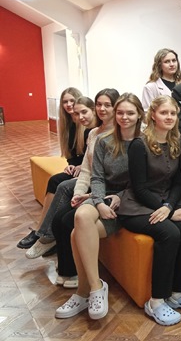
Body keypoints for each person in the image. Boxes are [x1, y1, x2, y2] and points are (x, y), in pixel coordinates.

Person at [55, 93, 143, 320]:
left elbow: (143, 183)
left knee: (75, 234)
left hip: (129, 202)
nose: (124, 117)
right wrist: (98, 201)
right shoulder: (104, 141)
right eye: (120, 112)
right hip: (103, 196)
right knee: (81, 217)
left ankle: (83, 291)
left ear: (139, 115)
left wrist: (118, 197)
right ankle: (96, 287)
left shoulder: (143, 142)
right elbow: (97, 177)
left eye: (129, 113)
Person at [118, 95, 181, 325]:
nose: (169, 117)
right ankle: (156, 301)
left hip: (166, 204)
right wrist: (168, 211)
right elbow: (139, 188)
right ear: (153, 115)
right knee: (170, 233)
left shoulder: (176, 141)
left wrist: (170, 207)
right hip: (136, 206)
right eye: (164, 113)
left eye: (173, 113)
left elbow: (178, 183)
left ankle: (178, 292)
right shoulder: (139, 144)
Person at [51, 89, 120, 289]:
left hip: (107, 193)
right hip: (93, 188)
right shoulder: (93, 133)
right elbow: (87, 171)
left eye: (107, 105)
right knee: (58, 219)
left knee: (67, 221)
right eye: (99, 104)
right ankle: (66, 270)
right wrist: (78, 194)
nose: (102, 109)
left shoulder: (119, 134)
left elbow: (112, 178)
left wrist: (90, 195)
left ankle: (74, 272)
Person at [25, 96, 99, 258]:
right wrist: (75, 165)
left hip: (94, 177)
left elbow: (96, 165)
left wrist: (82, 170)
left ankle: (44, 236)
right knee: (56, 181)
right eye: (77, 113)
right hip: (86, 172)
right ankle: (43, 233)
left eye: (84, 112)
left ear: (93, 110)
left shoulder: (96, 131)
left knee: (62, 186)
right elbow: (76, 155)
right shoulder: (85, 130)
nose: (80, 117)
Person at [17, 87, 84, 250]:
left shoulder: (86, 124)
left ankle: (41, 231)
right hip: (77, 169)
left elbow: (91, 155)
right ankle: (42, 230)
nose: (68, 104)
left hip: (86, 170)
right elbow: (70, 155)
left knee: (56, 181)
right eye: (65, 102)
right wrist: (71, 165)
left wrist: (81, 166)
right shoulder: (67, 125)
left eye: (72, 101)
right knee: (54, 180)